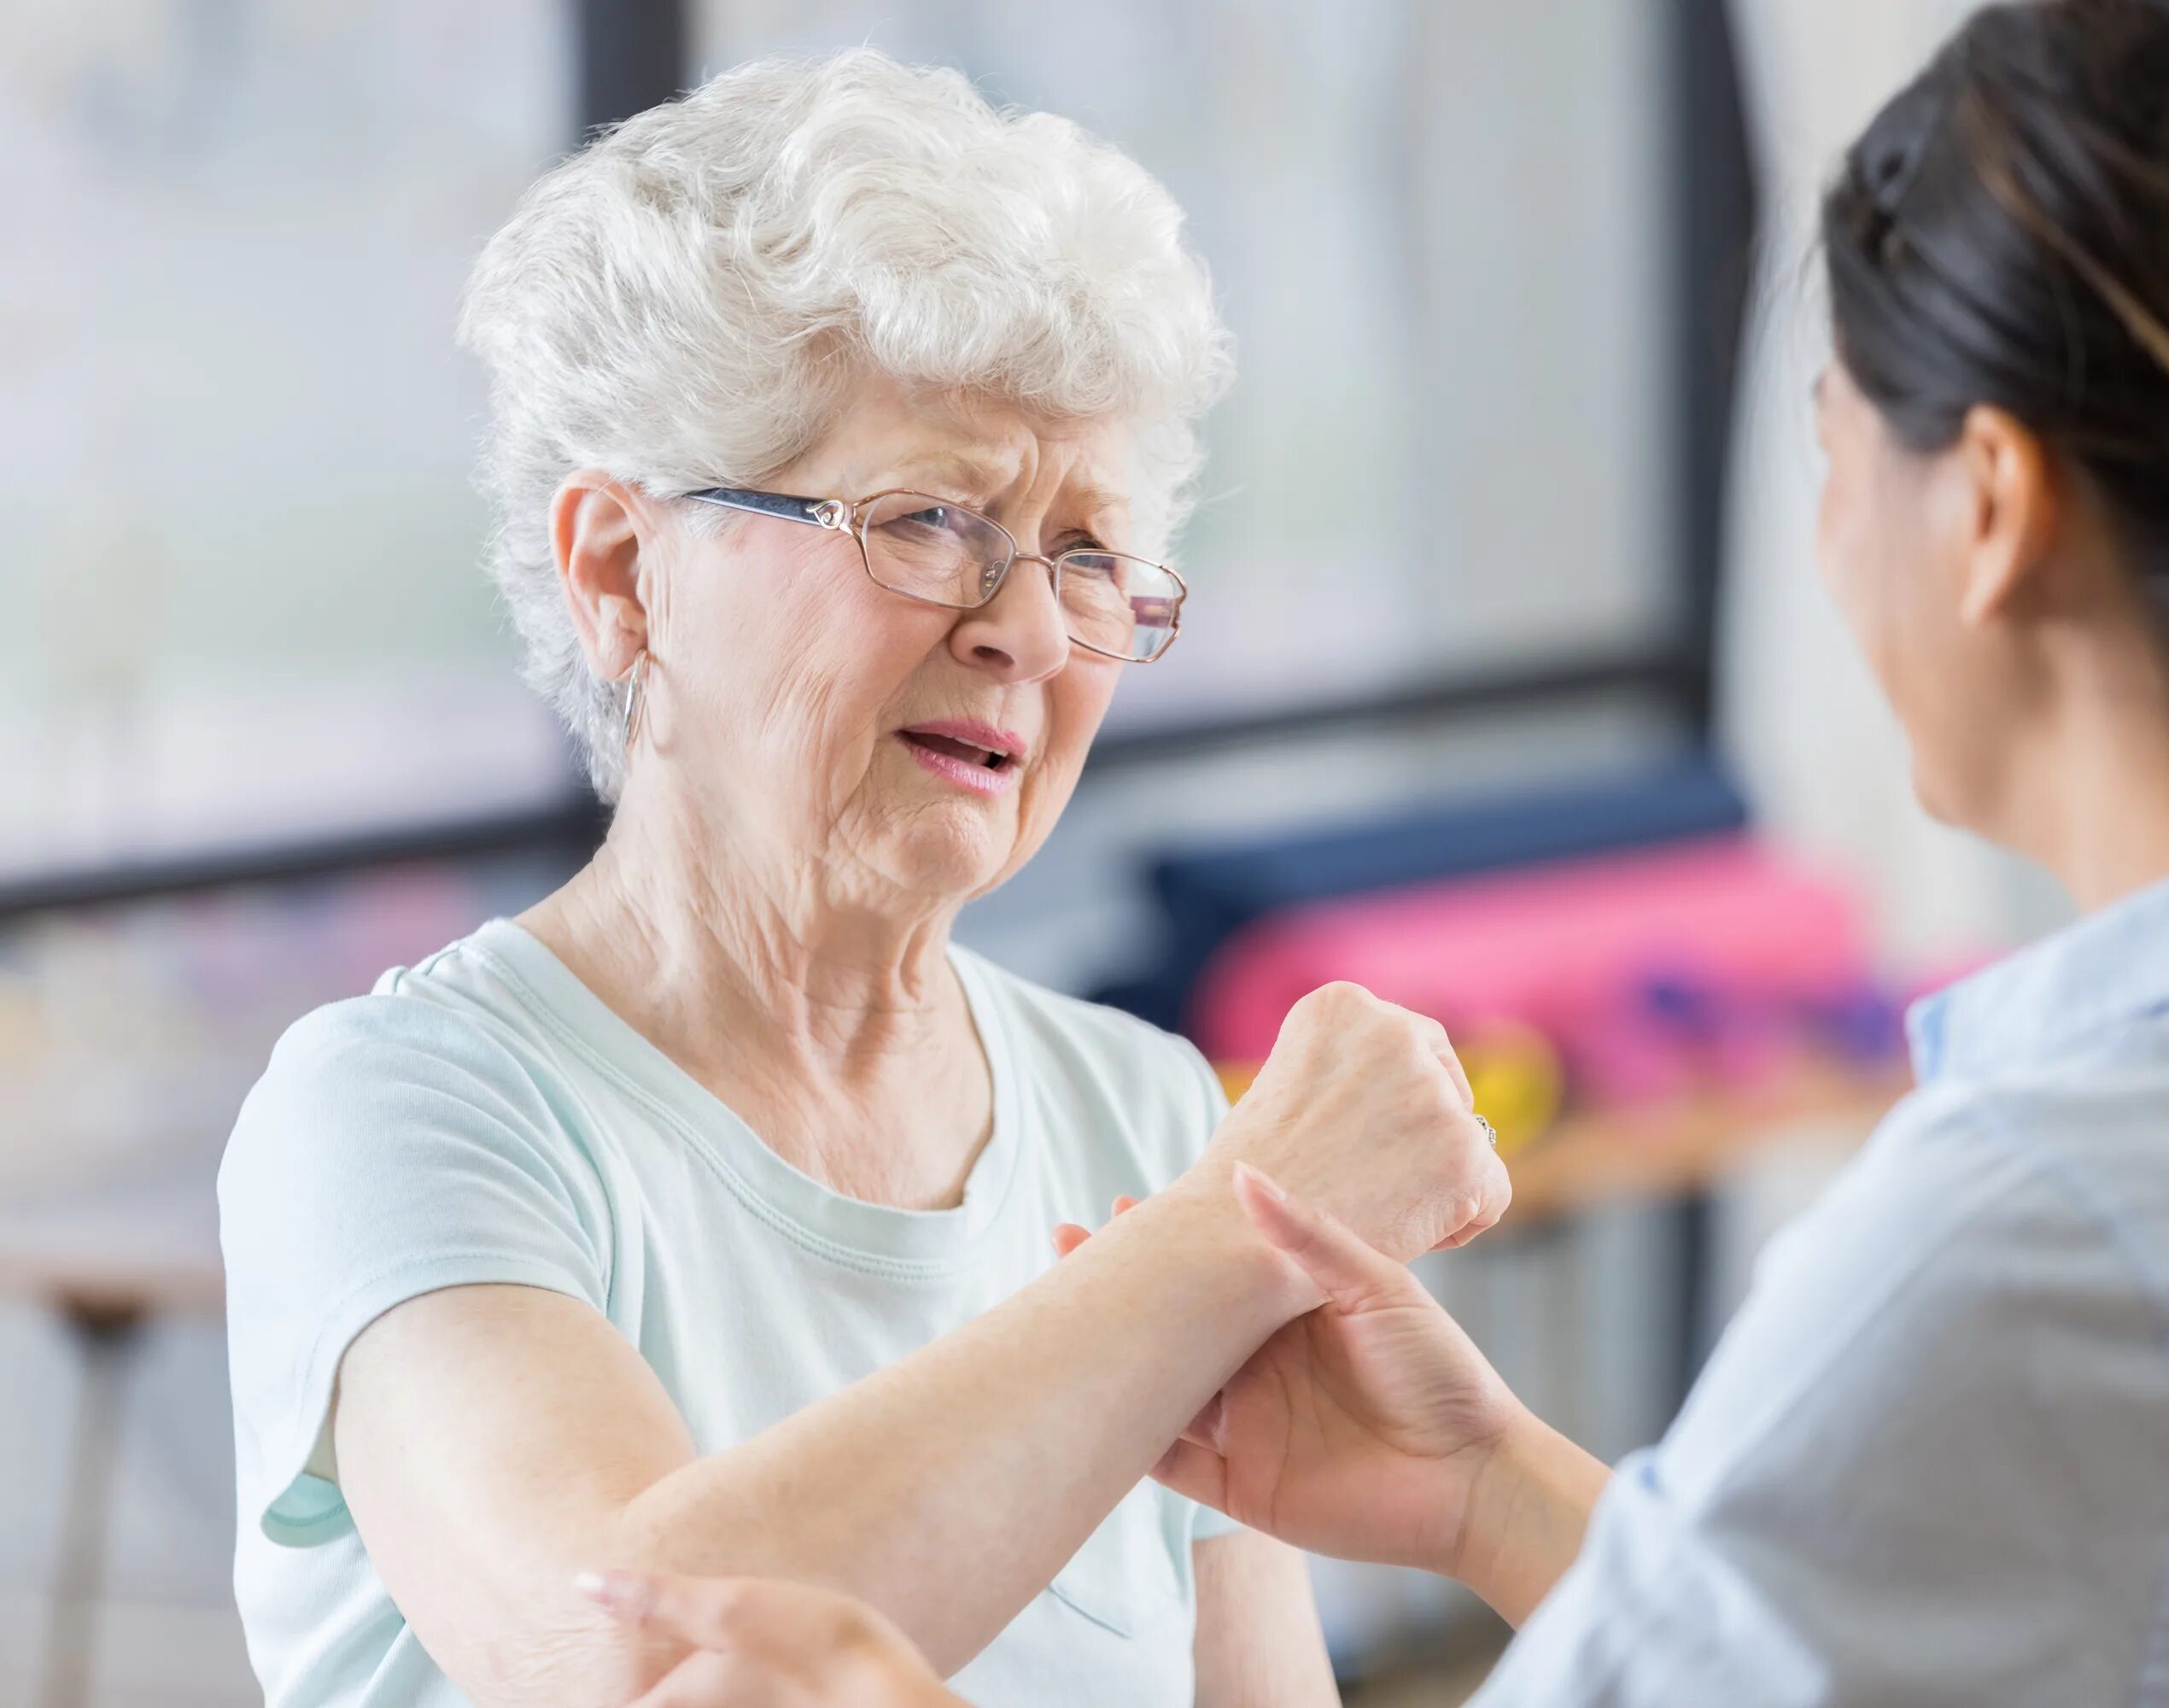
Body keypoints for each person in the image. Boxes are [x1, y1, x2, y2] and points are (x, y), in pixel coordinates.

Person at [586, 0, 2169, 1700]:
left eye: (1827, 442)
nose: (1020, 622)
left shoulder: (2042, 1231)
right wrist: (1490, 1491)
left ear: (1988, 510)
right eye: (926, 522)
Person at [215, 50, 1511, 1708]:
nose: (1030, 629)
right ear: (623, 572)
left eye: (1091, 555)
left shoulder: (1146, 1113)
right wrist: (1225, 1243)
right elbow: (619, 1661)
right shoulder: (399, 1111)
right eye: (927, 520)